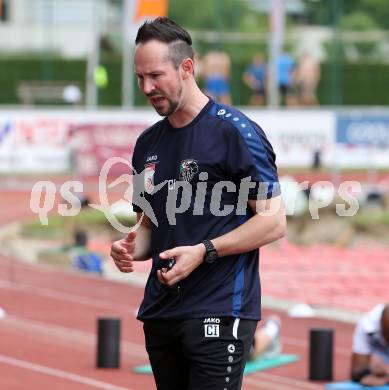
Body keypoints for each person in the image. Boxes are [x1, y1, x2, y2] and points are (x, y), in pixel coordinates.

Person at [110, 17, 286, 390]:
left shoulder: (235, 132)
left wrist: (204, 250)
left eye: (155, 75)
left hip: (220, 310)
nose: (147, 87)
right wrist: (129, 248)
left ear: (186, 67)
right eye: (140, 77)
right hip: (161, 312)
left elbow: (273, 222)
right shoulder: (146, 145)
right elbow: (147, 228)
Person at [351, 303, 389, 387]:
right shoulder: (367, 325)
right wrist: (370, 369)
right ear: (380, 325)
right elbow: (356, 371)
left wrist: (386, 378)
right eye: (387, 335)